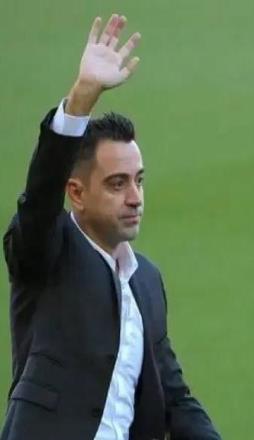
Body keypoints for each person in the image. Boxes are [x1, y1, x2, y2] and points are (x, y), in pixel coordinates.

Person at [1, 14, 221, 440]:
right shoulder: (48, 250)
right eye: (117, 184)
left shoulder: (148, 281)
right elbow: (40, 197)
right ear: (76, 193)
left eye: (139, 181)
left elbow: (175, 399)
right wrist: (81, 99)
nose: (135, 197)